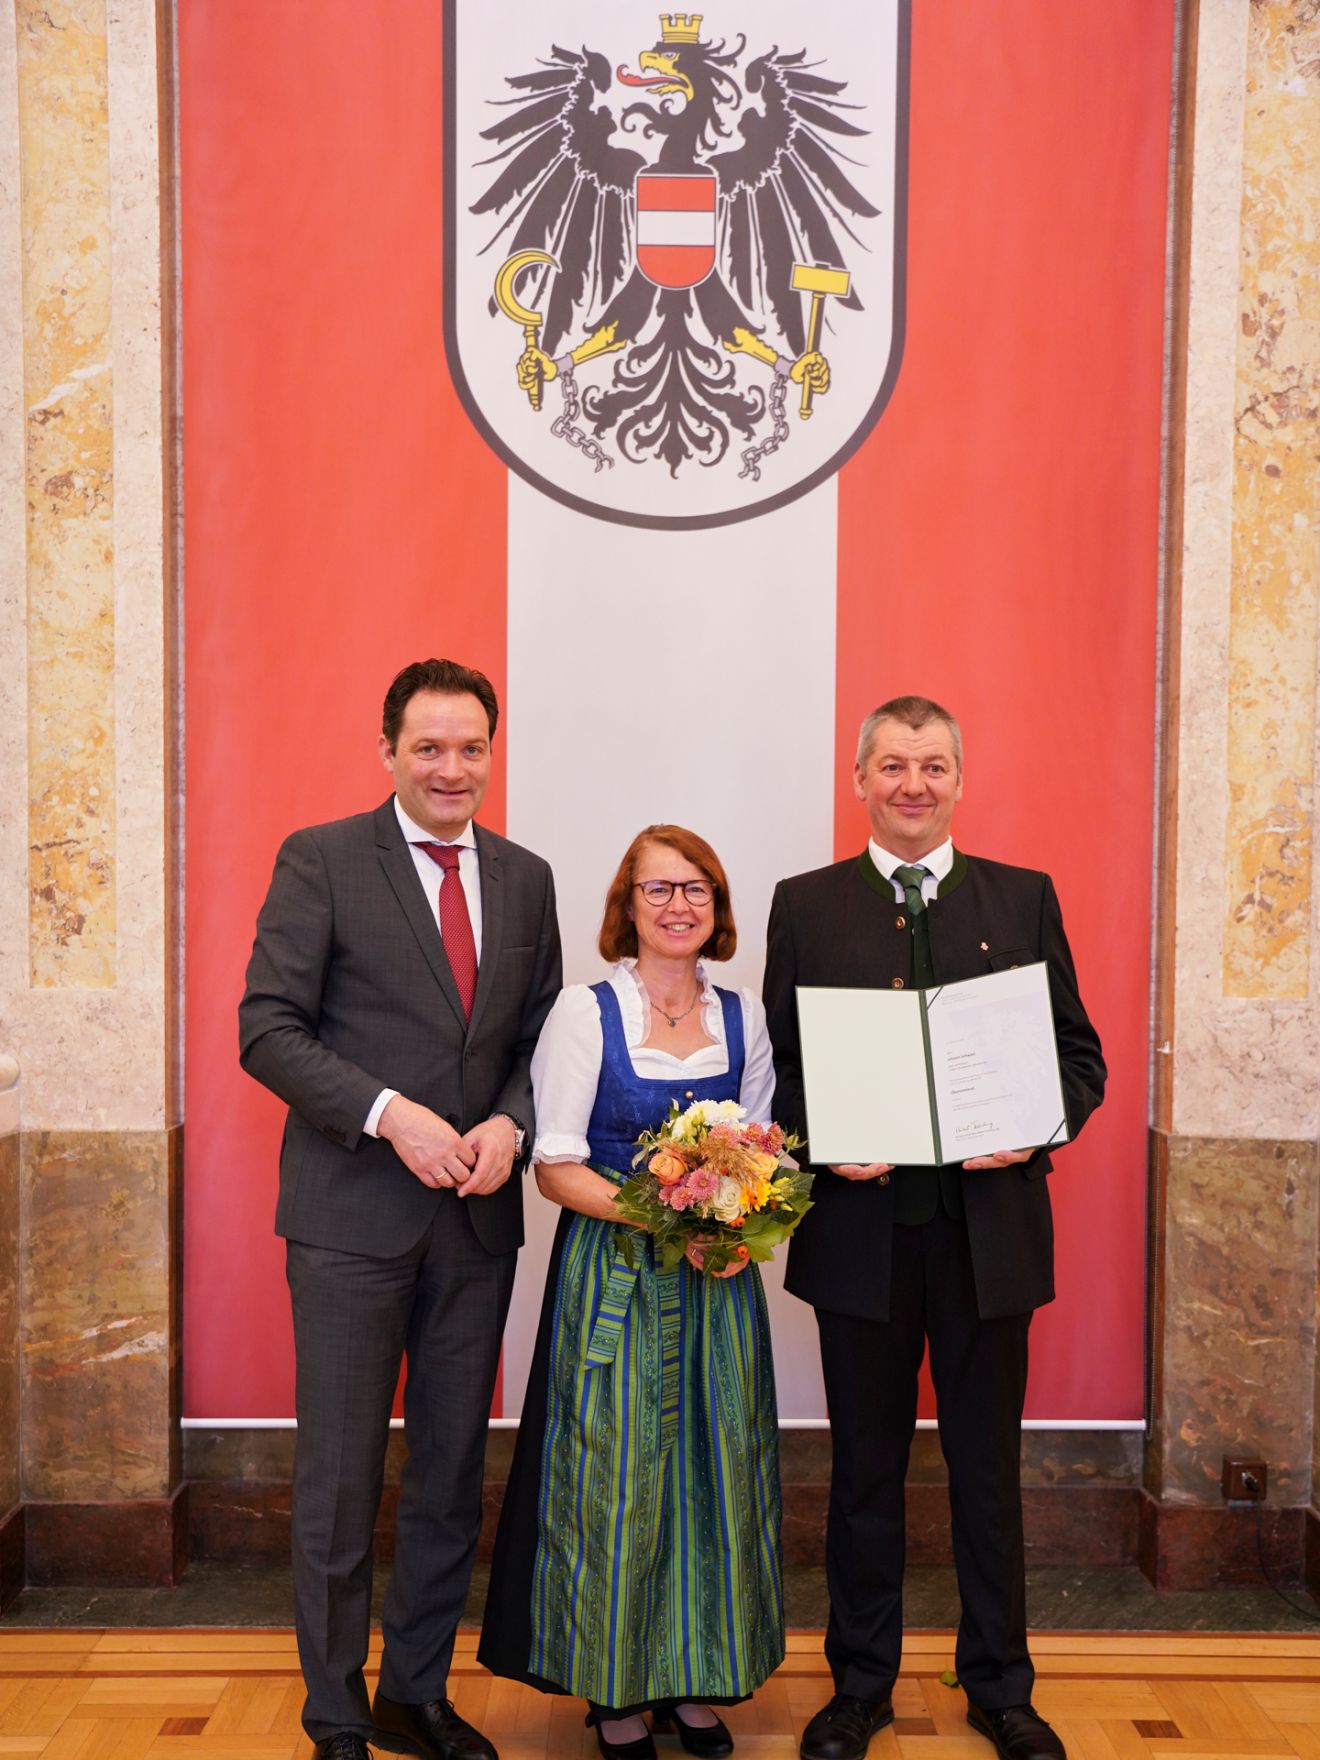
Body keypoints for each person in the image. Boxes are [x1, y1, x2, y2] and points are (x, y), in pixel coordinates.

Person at [763, 696, 1106, 1760]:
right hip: (860, 1241)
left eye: (935, 764)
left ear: (962, 778)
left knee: (986, 1471)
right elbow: (783, 1072)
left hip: (987, 1240)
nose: (914, 783)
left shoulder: (1023, 894)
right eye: (894, 764)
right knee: (864, 1472)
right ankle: (859, 1682)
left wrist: (1033, 1127)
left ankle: (1002, 1683)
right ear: (859, 776)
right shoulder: (806, 903)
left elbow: (1078, 1060)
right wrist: (821, 1139)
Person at [239, 658, 562, 1760]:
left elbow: (538, 1042)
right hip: (349, 1221)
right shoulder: (322, 859)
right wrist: (391, 1115)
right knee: (338, 1477)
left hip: (475, 1225)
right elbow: (267, 1027)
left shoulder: (526, 877)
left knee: (448, 1471)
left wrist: (513, 1123)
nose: (452, 766)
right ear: (387, 752)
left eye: (471, 745)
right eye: (429, 746)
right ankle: (335, 1710)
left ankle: (413, 1690)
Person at [479, 826, 784, 1760]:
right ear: (628, 905)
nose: (678, 906)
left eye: (695, 889)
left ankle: (693, 1678)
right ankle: (613, 1691)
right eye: (658, 890)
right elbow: (557, 1168)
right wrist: (673, 1220)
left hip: (716, 1288)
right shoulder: (585, 1012)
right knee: (614, 1479)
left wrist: (736, 1227)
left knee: (715, 1472)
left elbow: (764, 1156)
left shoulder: (743, 1018)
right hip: (613, 1278)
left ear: (717, 908)